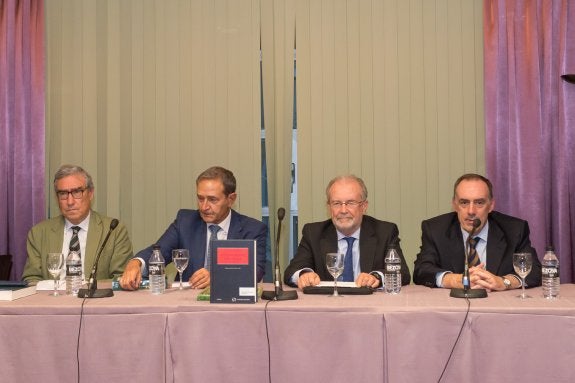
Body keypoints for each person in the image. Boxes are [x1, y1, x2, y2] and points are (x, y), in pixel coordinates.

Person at [120, 166, 267, 290]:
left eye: (212, 199)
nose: (204, 207)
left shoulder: (252, 229)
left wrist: (218, 276)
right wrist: (136, 262)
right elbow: (159, 251)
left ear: (231, 199)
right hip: (186, 304)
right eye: (200, 198)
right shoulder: (186, 222)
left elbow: (256, 271)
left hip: (229, 304)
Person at [413, 173, 542, 291]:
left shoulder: (514, 230)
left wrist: (504, 282)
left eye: (479, 203)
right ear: (454, 205)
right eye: (464, 202)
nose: (471, 211)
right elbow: (421, 270)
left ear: (491, 205)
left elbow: (535, 271)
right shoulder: (436, 230)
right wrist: (454, 280)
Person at [284, 175, 411, 289]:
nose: (343, 210)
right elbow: (291, 272)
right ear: (329, 207)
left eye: (350, 203)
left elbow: (403, 273)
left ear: (364, 206)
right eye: (336, 203)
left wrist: (376, 277)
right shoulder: (313, 233)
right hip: (327, 308)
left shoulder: (385, 232)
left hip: (370, 307)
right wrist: (304, 274)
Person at [22, 164, 133, 284]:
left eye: (77, 192)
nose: (70, 202)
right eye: (63, 194)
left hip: (96, 301)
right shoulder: (39, 233)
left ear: (90, 193)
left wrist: (86, 287)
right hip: (53, 300)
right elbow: (31, 279)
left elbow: (120, 279)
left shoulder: (114, 230)